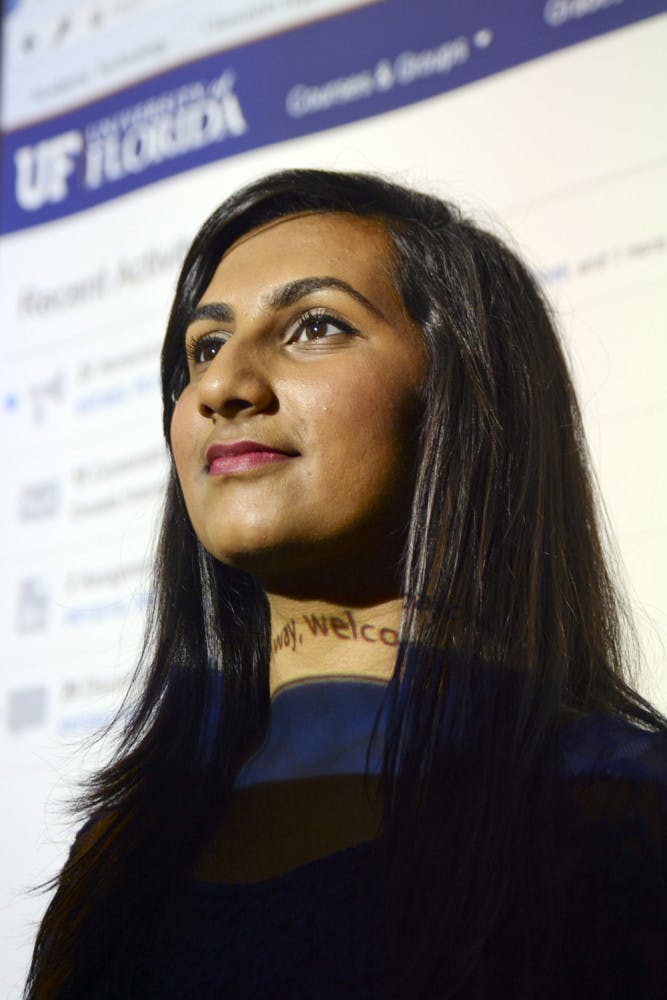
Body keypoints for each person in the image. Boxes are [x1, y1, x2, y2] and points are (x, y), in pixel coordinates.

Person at [25, 169, 666, 999]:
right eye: (205, 348)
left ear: (461, 396)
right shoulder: (114, 864)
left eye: (314, 326)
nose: (221, 387)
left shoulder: (622, 809)